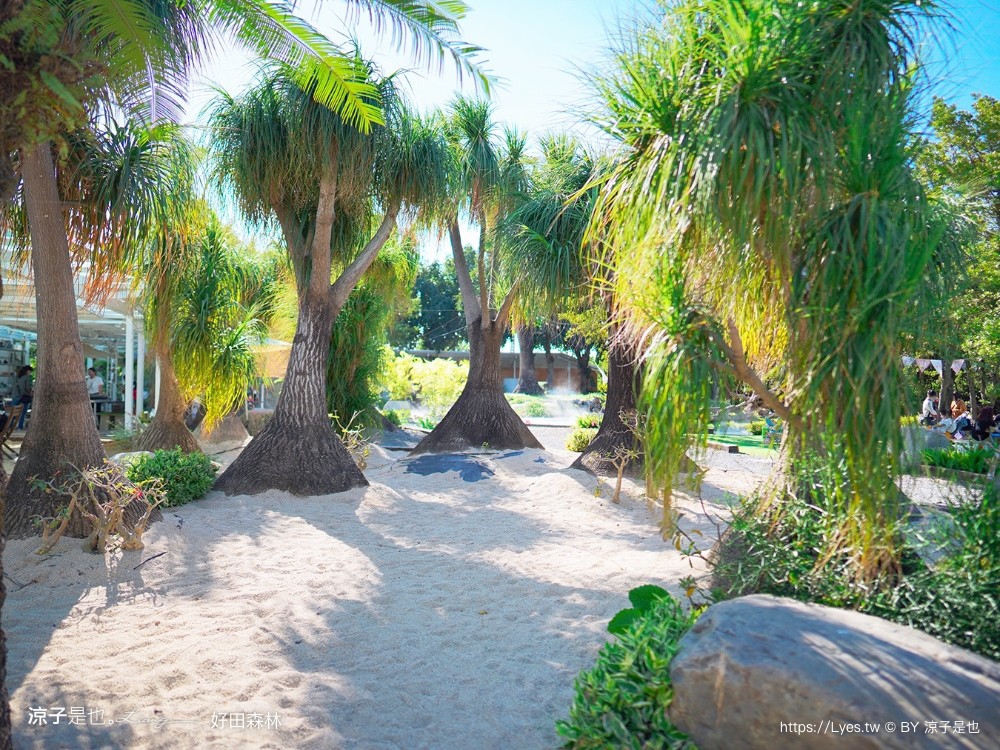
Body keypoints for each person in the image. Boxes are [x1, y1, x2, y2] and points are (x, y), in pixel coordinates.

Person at [11, 365, 33, 430]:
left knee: (13, 413)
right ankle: (20, 426)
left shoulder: (17, 378)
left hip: (15, 396)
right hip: (23, 397)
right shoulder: (26, 378)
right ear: (27, 371)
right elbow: (27, 388)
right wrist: (31, 393)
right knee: (23, 413)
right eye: (30, 371)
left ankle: (10, 426)